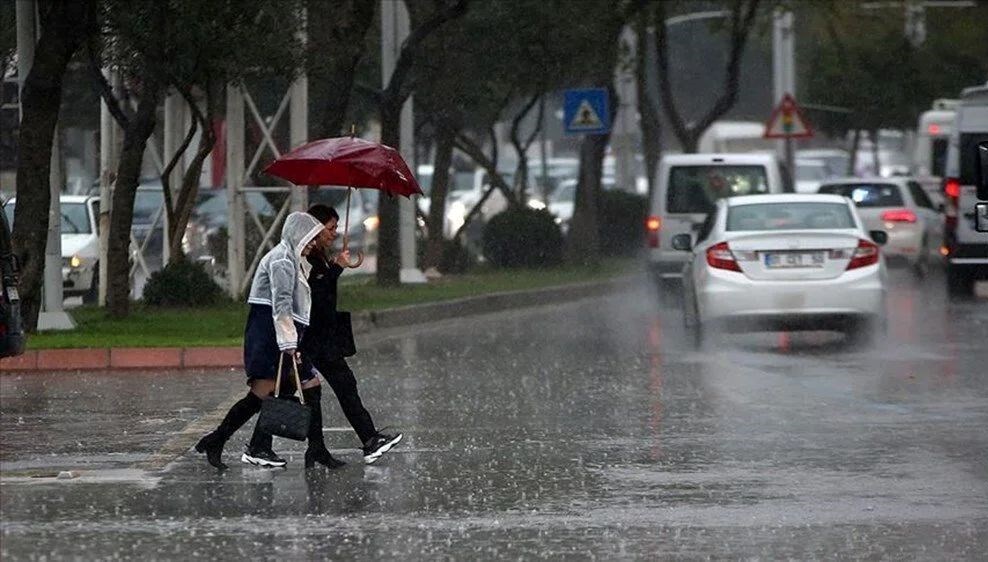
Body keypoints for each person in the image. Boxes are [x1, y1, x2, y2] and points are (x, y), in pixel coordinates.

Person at [195, 211, 326, 470]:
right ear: (298, 235)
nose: (314, 243)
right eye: (311, 237)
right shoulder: (282, 261)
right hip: (270, 334)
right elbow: (281, 305)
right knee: (262, 394)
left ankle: (267, 446)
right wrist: (290, 344)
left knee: (297, 388)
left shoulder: (293, 259)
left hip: (279, 333)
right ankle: (224, 440)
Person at [302, 203, 403, 467]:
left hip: (322, 336)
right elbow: (315, 297)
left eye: (336, 227)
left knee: (327, 391)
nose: (334, 233)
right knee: (334, 388)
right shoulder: (307, 257)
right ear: (315, 228)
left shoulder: (319, 256)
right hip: (313, 338)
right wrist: (335, 268)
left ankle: (320, 448)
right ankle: (368, 439)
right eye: (330, 228)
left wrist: (335, 266)